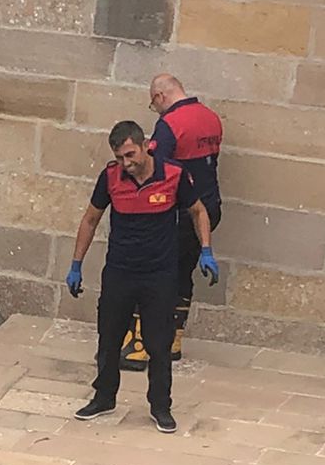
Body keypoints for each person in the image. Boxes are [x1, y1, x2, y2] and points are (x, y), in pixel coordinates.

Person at [65, 119, 216, 434]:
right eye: (120, 157)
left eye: (130, 155)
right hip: (120, 271)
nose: (126, 163)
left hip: (159, 275)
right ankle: (104, 397)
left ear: (145, 145)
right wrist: (76, 264)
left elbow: (198, 210)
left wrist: (206, 249)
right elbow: (90, 219)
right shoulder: (110, 178)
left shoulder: (173, 176)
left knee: (158, 344)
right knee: (109, 339)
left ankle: (160, 406)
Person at [122, 73, 225, 370]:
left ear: (159, 97)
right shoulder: (211, 118)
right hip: (209, 208)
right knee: (183, 273)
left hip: (179, 213)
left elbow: (155, 170)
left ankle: (140, 346)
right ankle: (173, 341)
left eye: (154, 106)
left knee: (150, 274)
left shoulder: (169, 125)